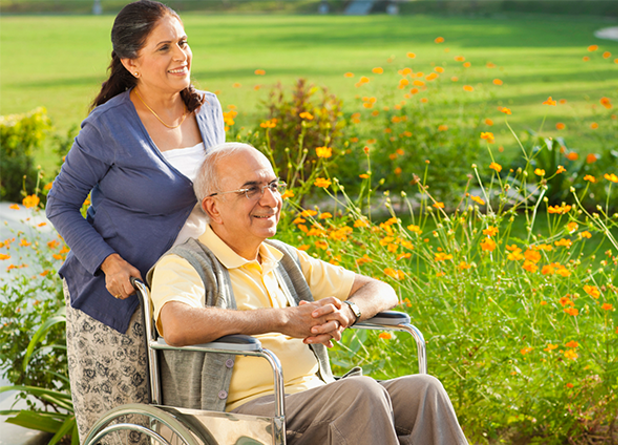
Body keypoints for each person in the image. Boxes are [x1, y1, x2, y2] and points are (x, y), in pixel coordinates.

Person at [148, 143, 469, 445]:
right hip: (238, 413)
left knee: (424, 390)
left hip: (317, 395)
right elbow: (177, 324)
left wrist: (348, 312)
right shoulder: (185, 264)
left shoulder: (283, 257)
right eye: (251, 190)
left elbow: (381, 290)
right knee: (360, 392)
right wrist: (281, 319)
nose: (271, 200)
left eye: (273, 186)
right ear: (213, 207)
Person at [45, 0, 225, 442]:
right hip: (121, 304)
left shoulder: (208, 109)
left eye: (183, 43)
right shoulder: (108, 127)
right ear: (132, 63)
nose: (180, 55)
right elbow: (60, 204)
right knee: (126, 433)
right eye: (163, 48)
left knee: (190, 427)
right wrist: (107, 262)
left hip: (190, 299)